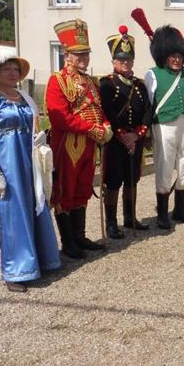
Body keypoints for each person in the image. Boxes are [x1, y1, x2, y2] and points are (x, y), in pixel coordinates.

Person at [0, 50, 61, 292]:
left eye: (16, 69)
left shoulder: (24, 97)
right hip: (8, 162)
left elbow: (34, 126)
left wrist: (39, 138)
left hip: (30, 160)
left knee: (36, 205)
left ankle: (41, 260)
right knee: (13, 212)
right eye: (7, 69)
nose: (13, 73)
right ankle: (15, 271)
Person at [47, 19, 112, 259]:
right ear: (67, 55)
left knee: (83, 188)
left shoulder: (91, 82)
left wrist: (105, 125)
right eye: (78, 53)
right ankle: (68, 242)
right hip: (68, 145)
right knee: (66, 189)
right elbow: (60, 118)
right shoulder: (57, 80)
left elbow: (98, 110)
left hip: (89, 145)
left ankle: (80, 236)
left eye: (86, 53)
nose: (83, 57)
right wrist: (92, 129)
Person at [99, 25, 153, 239]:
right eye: (121, 59)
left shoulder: (139, 85)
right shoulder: (107, 84)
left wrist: (138, 134)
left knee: (132, 179)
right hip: (116, 141)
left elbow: (148, 110)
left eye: (129, 59)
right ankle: (111, 224)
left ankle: (130, 217)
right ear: (113, 61)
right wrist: (122, 135)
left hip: (135, 139)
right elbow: (107, 111)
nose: (126, 63)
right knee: (114, 181)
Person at [144, 25, 184, 229]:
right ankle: (162, 214)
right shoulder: (152, 74)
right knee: (164, 167)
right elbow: (148, 106)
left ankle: (180, 210)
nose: (176, 59)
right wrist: (146, 132)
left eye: (179, 55)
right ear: (164, 55)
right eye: (172, 55)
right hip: (164, 126)